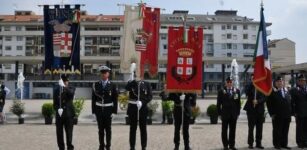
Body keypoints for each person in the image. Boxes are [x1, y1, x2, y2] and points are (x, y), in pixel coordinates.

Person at [92, 65, 118, 150]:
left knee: (108, 130)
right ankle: (101, 146)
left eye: (105, 73)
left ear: (108, 74)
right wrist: (93, 112)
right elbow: (93, 99)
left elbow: (115, 99)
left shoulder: (112, 85)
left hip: (108, 110)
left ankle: (108, 146)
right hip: (99, 110)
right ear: (100, 74)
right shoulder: (96, 85)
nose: (103, 75)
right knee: (100, 130)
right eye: (102, 73)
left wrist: (114, 112)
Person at [125, 77, 152, 150]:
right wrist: (133, 80)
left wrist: (142, 102)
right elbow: (127, 88)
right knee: (133, 129)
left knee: (143, 129)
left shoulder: (147, 84)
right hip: (133, 109)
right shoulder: (131, 83)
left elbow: (150, 96)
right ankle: (132, 147)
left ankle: (143, 147)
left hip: (142, 109)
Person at [267, 76, 293, 149]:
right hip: (277, 115)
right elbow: (269, 103)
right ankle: (277, 144)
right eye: (278, 82)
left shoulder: (286, 90)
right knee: (277, 131)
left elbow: (289, 102)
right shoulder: (272, 91)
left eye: (281, 81)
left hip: (287, 115)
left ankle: (284, 144)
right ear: (275, 83)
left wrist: (291, 113)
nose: (280, 83)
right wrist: (271, 114)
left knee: (285, 130)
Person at [217, 77, 241, 150]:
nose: (229, 83)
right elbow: (218, 104)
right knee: (224, 131)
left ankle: (232, 145)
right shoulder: (221, 91)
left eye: (230, 82)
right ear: (226, 83)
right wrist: (219, 114)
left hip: (233, 114)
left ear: (232, 83)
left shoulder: (237, 91)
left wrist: (237, 113)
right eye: (228, 82)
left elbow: (238, 103)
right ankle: (225, 145)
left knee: (233, 131)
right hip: (225, 114)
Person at [53, 75, 76, 150]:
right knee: (59, 133)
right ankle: (61, 148)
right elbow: (55, 103)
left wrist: (64, 87)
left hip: (69, 114)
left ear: (68, 81)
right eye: (63, 81)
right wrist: (57, 109)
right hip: (59, 114)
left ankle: (70, 147)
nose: (65, 82)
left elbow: (71, 94)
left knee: (69, 133)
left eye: (66, 81)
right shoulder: (56, 89)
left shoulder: (71, 88)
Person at [243, 74, 265, 149]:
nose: (254, 79)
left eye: (255, 78)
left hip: (260, 110)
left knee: (260, 128)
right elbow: (246, 92)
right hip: (251, 110)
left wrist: (258, 101)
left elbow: (264, 97)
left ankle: (258, 143)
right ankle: (250, 143)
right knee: (251, 128)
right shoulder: (249, 86)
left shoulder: (261, 86)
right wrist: (252, 84)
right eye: (253, 78)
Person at [290, 74, 307, 148]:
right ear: (298, 81)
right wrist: (294, 112)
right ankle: (299, 142)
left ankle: (305, 141)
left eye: (304, 80)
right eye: (301, 81)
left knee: (306, 128)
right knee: (300, 128)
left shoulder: (306, 89)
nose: (303, 82)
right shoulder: (294, 90)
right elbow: (291, 102)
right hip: (299, 112)